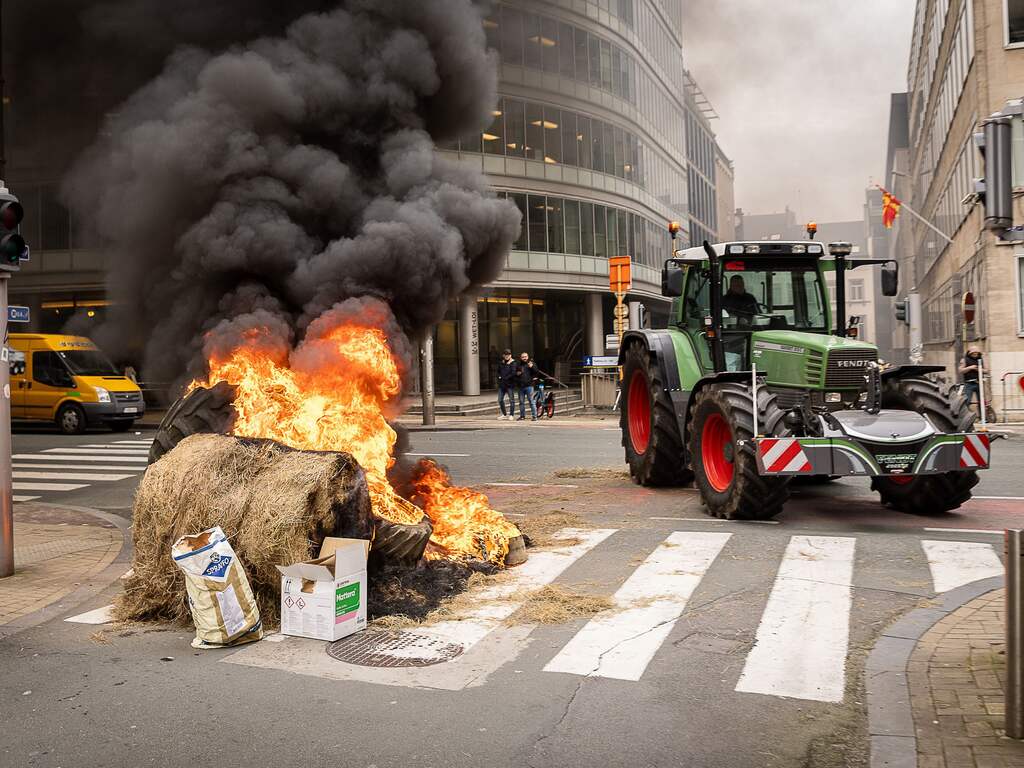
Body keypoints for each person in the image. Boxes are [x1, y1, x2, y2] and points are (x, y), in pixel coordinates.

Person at [514, 351, 539, 421]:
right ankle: (522, 416)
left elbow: (537, 372)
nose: (524, 358)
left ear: (528, 357)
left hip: (529, 386)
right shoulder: (518, 365)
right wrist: (517, 374)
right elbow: (514, 375)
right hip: (520, 386)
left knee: (531, 401)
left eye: (525, 357)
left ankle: (534, 416)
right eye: (523, 357)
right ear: (521, 358)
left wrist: (532, 367)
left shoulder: (531, 364)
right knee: (521, 402)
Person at [959, 346, 984, 410]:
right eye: (974, 353)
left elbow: (986, 370)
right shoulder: (964, 360)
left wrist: (978, 369)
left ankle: (983, 418)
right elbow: (960, 370)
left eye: (977, 353)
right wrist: (970, 367)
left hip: (979, 383)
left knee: (982, 402)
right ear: (970, 353)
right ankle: (965, 417)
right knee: (967, 401)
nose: (975, 354)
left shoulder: (980, 359)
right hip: (969, 384)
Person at [496, 349, 516, 421]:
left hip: (510, 385)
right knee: (500, 400)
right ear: (503, 355)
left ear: (510, 355)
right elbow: (498, 371)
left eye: (509, 354)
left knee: (511, 400)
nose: (507, 356)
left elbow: (513, 373)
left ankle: (511, 415)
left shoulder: (513, 363)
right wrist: (499, 377)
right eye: (506, 354)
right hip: (502, 385)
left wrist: (505, 378)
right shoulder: (501, 363)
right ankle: (504, 414)